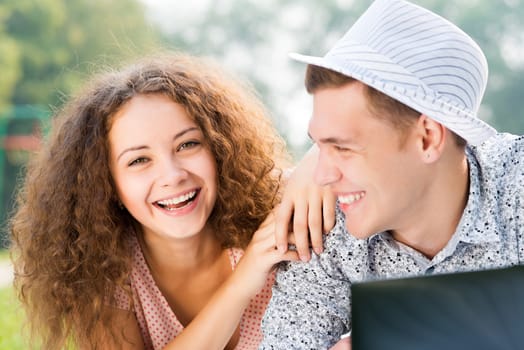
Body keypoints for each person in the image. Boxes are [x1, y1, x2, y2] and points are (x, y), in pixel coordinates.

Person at [9, 52, 336, 350]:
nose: (172, 175)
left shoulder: (270, 210)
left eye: (188, 144)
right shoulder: (104, 272)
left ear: (219, 149)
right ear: (106, 184)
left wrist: (315, 160)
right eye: (138, 161)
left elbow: (349, 146)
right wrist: (243, 282)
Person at [260, 0, 524, 348]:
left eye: (343, 147)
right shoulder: (322, 223)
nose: (321, 175)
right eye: (319, 147)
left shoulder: (514, 187)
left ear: (428, 138)